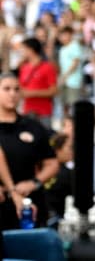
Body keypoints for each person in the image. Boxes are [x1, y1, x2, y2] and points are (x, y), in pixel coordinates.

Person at [0, 72, 59, 230]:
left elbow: (52, 163)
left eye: (17, 89)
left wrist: (34, 183)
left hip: (28, 203)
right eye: (7, 89)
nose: (12, 94)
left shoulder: (33, 126)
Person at [17, 37, 58, 129]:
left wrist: (32, 93)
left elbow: (54, 91)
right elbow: (20, 88)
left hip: (43, 112)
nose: (21, 52)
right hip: (27, 111)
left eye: (23, 49)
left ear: (31, 50)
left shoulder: (47, 67)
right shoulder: (23, 67)